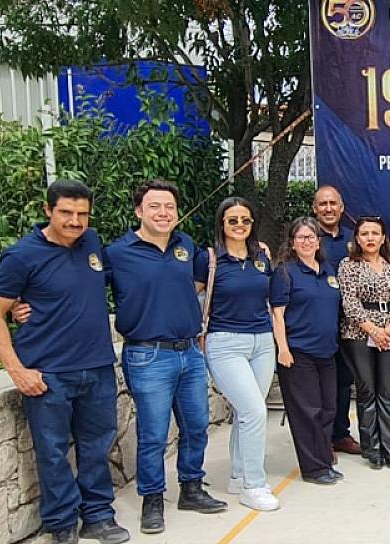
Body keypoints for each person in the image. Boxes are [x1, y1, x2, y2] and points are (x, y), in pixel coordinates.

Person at [0, 180, 131, 544]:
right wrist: (17, 370)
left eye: (82, 214)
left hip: (96, 367)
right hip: (47, 373)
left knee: (97, 446)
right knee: (51, 453)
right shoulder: (22, 256)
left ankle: (98, 515)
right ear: (48, 210)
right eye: (66, 212)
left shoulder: (92, 244)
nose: (75, 221)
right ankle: (62, 524)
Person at [103, 179, 227, 534]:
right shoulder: (117, 252)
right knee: (154, 434)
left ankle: (191, 487)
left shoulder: (184, 246)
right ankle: (152, 499)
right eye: (155, 206)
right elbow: (81, 284)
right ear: (139, 211)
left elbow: (204, 279)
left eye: (169, 207)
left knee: (196, 426)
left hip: (189, 351)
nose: (163, 213)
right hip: (147, 355)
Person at [194, 197, 280, 512]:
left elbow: (269, 298)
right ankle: (254, 486)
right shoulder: (210, 259)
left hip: (261, 341)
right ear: (222, 224)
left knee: (248, 414)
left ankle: (238, 474)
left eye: (245, 220)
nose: (240, 226)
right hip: (225, 342)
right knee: (256, 411)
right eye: (233, 221)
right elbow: (193, 296)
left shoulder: (262, 257)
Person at [271, 217, 344, 485]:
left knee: (328, 409)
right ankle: (313, 468)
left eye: (311, 237)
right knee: (307, 412)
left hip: (327, 353)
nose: (306, 242)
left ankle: (324, 461)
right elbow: (277, 314)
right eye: (301, 237)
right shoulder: (285, 272)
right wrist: (283, 349)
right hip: (298, 353)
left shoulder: (328, 270)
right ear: (292, 242)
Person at [338, 216, 390, 469]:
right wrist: (372, 330)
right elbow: (349, 301)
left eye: (375, 233)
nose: (370, 238)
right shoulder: (348, 265)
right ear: (357, 238)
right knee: (366, 389)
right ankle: (372, 449)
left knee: (387, 389)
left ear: (383, 238)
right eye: (364, 233)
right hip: (359, 333)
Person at [313, 185, 361, 457]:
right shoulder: (306, 237)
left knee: (344, 382)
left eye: (333, 203)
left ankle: (340, 434)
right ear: (315, 208)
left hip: (348, 322)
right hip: (317, 321)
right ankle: (320, 439)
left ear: (342, 207)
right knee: (319, 385)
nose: (328, 208)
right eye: (323, 204)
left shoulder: (352, 238)